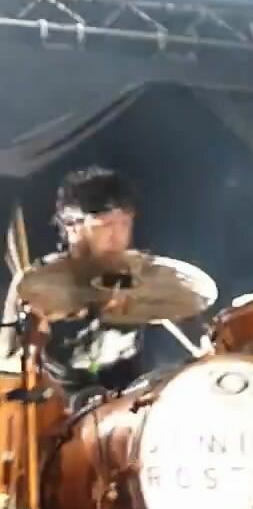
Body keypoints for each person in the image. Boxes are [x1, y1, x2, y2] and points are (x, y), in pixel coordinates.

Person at [0, 167, 197, 409]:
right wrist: (35, 338)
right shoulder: (38, 283)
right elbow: (6, 364)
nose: (117, 236)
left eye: (125, 223)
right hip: (60, 409)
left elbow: (189, 314)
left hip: (130, 401)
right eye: (105, 225)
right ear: (72, 227)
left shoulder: (140, 273)